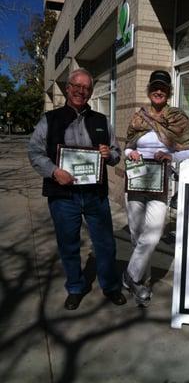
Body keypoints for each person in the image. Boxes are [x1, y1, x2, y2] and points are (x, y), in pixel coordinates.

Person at [28, 68, 126, 310]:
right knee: (68, 244)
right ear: (68, 88)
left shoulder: (102, 121)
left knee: (105, 244)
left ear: (91, 92)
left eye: (86, 88)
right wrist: (54, 171)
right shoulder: (49, 120)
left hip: (95, 195)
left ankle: (111, 285)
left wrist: (109, 154)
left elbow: (116, 154)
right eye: (76, 86)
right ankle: (75, 286)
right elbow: (34, 152)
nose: (81, 91)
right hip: (63, 196)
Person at [122, 70, 189, 306]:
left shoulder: (178, 118)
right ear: (150, 89)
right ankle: (141, 283)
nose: (159, 91)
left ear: (169, 91)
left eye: (163, 87)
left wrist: (171, 155)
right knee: (136, 236)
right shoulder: (138, 117)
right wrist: (130, 152)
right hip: (136, 181)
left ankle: (129, 276)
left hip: (160, 184)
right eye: (155, 86)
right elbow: (125, 147)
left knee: (151, 236)